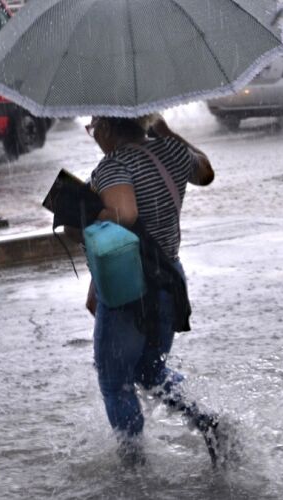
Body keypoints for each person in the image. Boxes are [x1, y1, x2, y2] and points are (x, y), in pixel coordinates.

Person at [68, 114, 220, 464]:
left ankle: (133, 465)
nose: (94, 135)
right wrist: (167, 133)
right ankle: (205, 419)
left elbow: (125, 213)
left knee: (115, 380)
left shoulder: (114, 164)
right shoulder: (172, 151)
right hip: (168, 280)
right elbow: (206, 173)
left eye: (94, 128)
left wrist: (81, 214)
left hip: (128, 287)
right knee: (150, 371)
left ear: (107, 128)